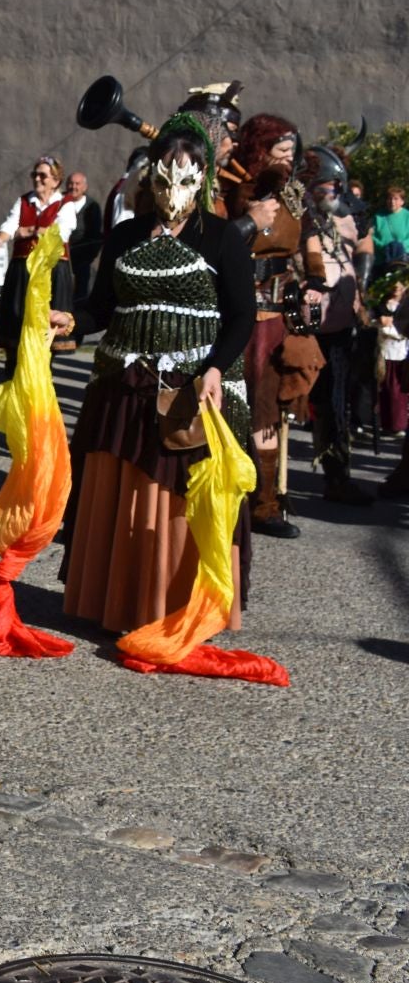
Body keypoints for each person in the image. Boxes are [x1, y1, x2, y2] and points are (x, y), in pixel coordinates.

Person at [58, 115, 255, 636]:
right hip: (123, 389)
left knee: (175, 501)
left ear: (204, 179)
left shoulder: (222, 238)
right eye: (165, 177)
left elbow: (241, 316)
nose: (174, 190)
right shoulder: (123, 235)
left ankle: (172, 609)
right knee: (117, 495)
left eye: (187, 178)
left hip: (192, 393)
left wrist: (213, 368)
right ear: (150, 177)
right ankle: (116, 604)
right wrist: (74, 320)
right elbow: (103, 307)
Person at [224, 113, 314, 539]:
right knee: (242, 403)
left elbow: (307, 238)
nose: (288, 157)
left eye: (292, 150)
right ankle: (239, 497)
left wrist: (313, 280)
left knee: (270, 407)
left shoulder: (295, 193)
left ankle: (266, 503)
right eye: (280, 149)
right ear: (260, 151)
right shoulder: (238, 190)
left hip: (280, 312)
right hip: (245, 312)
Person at [298, 145, 376, 506]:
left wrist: (362, 285)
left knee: (336, 401)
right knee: (299, 400)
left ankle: (336, 476)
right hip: (304, 327)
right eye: (328, 186)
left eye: (336, 186)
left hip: (342, 327)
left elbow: (365, 245)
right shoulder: (297, 216)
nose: (334, 193)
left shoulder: (349, 215)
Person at [0, 156, 81, 378]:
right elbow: (11, 225)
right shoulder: (24, 201)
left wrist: (28, 231)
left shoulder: (65, 204)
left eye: (43, 175)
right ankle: (13, 372)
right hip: (23, 270)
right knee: (17, 317)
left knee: (47, 322)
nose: (37, 179)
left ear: (56, 180)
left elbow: (60, 232)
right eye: (35, 174)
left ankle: (41, 373)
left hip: (52, 271)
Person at [63, 170, 103, 309]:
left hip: (81, 260)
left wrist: (87, 257)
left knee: (81, 295)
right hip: (60, 258)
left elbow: (96, 236)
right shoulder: (59, 202)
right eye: (70, 183)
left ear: (84, 187)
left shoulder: (92, 207)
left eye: (77, 184)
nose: (73, 187)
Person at [378, 278, 408, 438]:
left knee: (398, 391)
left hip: (400, 353)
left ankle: (398, 425)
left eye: (400, 284)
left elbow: (403, 331)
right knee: (385, 390)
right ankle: (386, 424)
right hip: (384, 353)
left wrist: (389, 328)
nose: (396, 288)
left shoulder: (404, 305)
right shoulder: (382, 305)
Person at [373, 185, 408, 265]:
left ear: (402, 201)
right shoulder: (378, 216)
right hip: (382, 258)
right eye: (390, 199)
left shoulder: (407, 216)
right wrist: (383, 246)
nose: (392, 202)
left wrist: (399, 247)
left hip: (404, 257)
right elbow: (372, 236)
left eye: (396, 199)